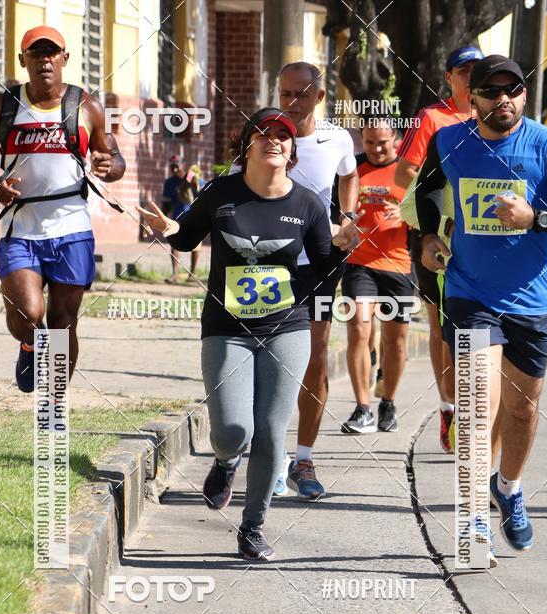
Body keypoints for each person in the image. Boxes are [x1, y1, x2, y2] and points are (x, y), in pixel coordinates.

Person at [138, 108, 360, 561]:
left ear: (292, 150)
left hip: (287, 326)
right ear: (247, 145)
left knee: (272, 432)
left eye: (284, 135)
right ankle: (224, 461)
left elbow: (320, 272)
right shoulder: (223, 192)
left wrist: (340, 248)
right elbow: (187, 233)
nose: (275, 140)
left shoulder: (308, 205)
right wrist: (168, 228)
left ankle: (252, 527)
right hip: (226, 328)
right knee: (233, 430)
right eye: (265, 133)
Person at [416, 55, 547, 562]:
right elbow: (428, 192)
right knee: (479, 406)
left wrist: (537, 217)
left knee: (522, 409)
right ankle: (473, 520)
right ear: (471, 98)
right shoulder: (449, 141)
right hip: (470, 294)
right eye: (491, 89)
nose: (503, 97)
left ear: (524, 94)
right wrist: (430, 235)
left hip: (533, 299)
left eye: (513, 89)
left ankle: (510, 487)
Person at [0, 25, 125, 391]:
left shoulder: (85, 106)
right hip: (21, 226)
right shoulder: (5, 105)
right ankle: (27, 342)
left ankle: (51, 407)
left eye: (51, 52)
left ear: (64, 58)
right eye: (35, 54)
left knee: (63, 321)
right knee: (28, 313)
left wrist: (108, 167)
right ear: (23, 61)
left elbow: (114, 159)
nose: (44, 60)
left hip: (71, 226)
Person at [274, 61, 359, 500]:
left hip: (321, 262)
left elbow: (349, 173)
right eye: (285, 93)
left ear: (319, 98)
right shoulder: (263, 134)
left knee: (316, 357)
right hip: (266, 263)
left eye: (301, 95)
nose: (291, 102)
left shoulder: (337, 139)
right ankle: (266, 455)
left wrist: (346, 217)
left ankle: (303, 457)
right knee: (263, 358)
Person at [395, 45, 484, 452]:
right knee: (443, 329)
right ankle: (449, 407)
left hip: (484, 238)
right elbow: (405, 171)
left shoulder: (497, 117)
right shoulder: (433, 118)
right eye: (463, 70)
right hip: (439, 236)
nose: (471, 76)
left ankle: (476, 411)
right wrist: (437, 211)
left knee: (480, 328)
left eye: (477, 70)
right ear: (449, 77)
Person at [340, 120, 414, 434]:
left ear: (396, 139)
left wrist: (408, 213)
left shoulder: (409, 172)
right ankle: (362, 408)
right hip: (360, 263)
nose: (376, 149)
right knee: (359, 326)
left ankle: (388, 402)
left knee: (395, 343)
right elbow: (337, 211)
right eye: (369, 142)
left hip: (399, 266)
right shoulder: (352, 172)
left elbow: (432, 213)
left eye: (382, 142)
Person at [161, 155, 200, 283]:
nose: (175, 168)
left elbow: (201, 192)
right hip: (177, 218)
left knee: (196, 245)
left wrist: (193, 180)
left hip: (193, 215)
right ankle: (175, 274)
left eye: (177, 165)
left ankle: (192, 274)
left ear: (183, 165)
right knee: (175, 244)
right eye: (172, 166)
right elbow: (166, 203)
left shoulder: (192, 178)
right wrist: (163, 217)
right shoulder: (169, 183)